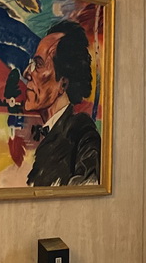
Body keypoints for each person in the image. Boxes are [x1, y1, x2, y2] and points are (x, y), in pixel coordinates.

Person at [23, 20, 101, 186]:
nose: (27, 73)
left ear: (63, 84)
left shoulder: (82, 136)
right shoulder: (53, 132)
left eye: (38, 64)